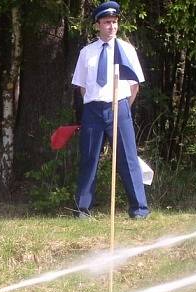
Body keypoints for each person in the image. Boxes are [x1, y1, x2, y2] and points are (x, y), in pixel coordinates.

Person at [71, 1, 149, 219]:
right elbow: (82, 86)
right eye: (107, 22)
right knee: (89, 158)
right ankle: (83, 210)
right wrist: (96, 105)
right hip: (93, 111)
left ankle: (139, 210)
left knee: (128, 159)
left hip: (120, 106)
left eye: (114, 22)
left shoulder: (126, 49)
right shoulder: (87, 52)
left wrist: (122, 107)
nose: (112, 26)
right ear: (98, 25)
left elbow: (135, 85)